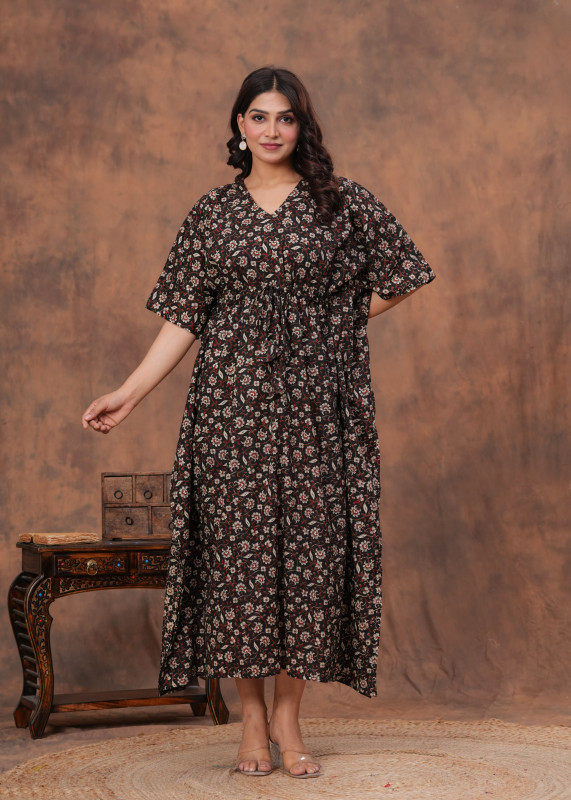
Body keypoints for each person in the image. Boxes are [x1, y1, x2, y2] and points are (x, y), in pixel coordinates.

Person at [82, 66, 436, 779]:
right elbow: (183, 319)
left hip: (318, 412)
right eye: (259, 116)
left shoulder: (341, 204)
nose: (272, 130)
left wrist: (332, 324)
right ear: (239, 126)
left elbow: (403, 273)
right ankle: (249, 720)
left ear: (302, 127)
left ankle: (288, 718)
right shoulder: (212, 214)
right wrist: (129, 392)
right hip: (231, 410)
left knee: (309, 559)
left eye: (285, 117)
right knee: (239, 563)